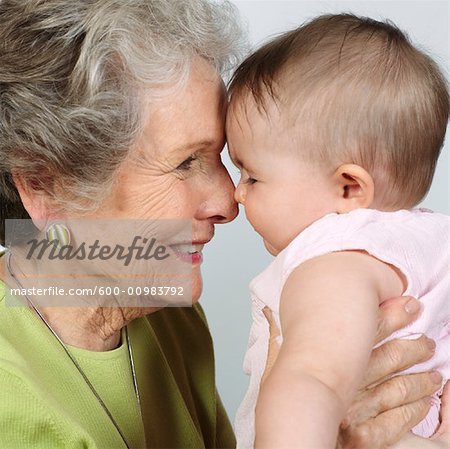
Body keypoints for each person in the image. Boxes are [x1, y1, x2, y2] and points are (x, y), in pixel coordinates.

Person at [0, 1, 447, 448]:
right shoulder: (11, 403)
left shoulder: (165, 312)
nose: (227, 203)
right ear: (46, 186)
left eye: (222, 158)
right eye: (185, 162)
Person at [226, 13, 450, 449]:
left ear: (349, 188)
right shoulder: (431, 244)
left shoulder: (334, 261)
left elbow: (312, 380)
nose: (236, 194)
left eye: (251, 176)